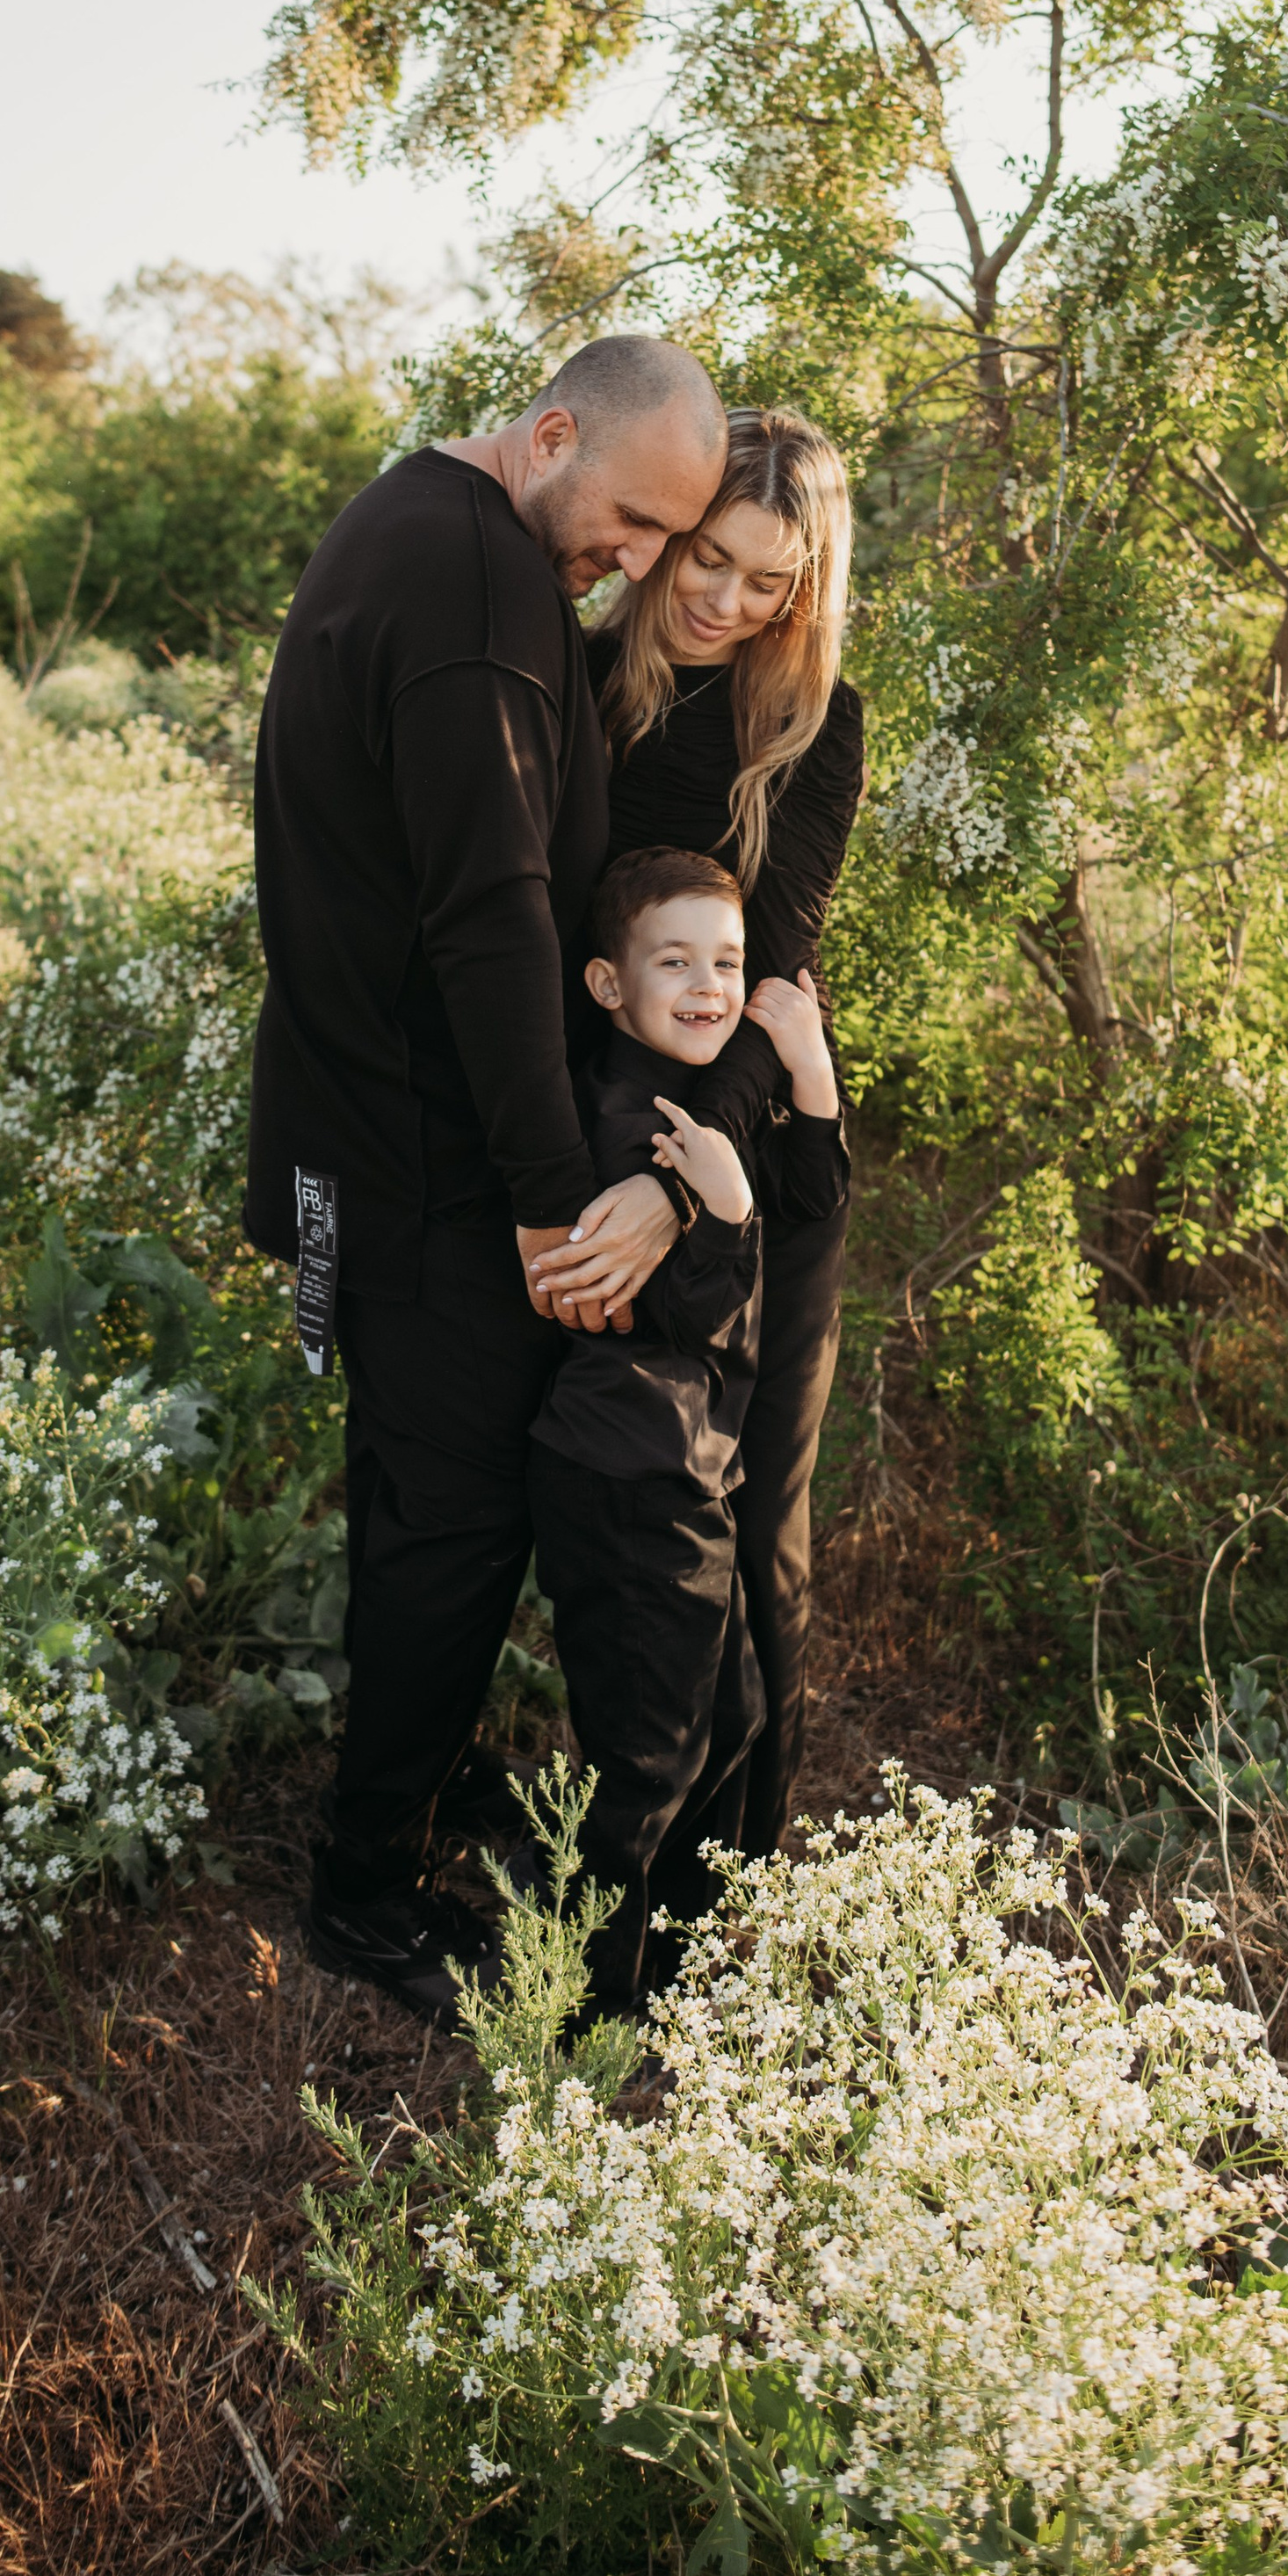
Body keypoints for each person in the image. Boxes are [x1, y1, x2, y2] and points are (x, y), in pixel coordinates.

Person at [245, 335, 729, 2022]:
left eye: (673, 541)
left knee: (418, 1512)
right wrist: (547, 1196)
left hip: (358, 1143)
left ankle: (399, 1837)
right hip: (433, 1176)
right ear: (545, 437)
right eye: (636, 519)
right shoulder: (472, 600)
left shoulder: (405, 527)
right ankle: (367, 1897)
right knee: (446, 1540)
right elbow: (488, 925)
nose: (644, 563)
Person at [560, 408, 862, 1857]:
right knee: (613, 1504)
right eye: (709, 557)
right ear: (666, 527)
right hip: (575, 1148)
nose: (725, 600)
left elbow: (775, 981)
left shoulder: (813, 727)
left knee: (758, 1514)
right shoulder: (575, 677)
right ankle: (607, 1835)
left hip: (746, 1163)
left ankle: (734, 1873)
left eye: (768, 582)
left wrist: (684, 1191)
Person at [528, 845, 846, 2014]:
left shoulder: (702, 1104)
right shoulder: (620, 1124)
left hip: (682, 1478)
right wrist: (722, 1207)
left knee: (734, 1719)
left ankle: (678, 1960)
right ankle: (585, 1999)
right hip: (627, 1483)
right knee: (650, 1756)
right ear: (612, 985)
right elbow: (679, 1305)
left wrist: (806, 1074)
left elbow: (809, 1210)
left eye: (730, 961)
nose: (711, 985)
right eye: (677, 962)